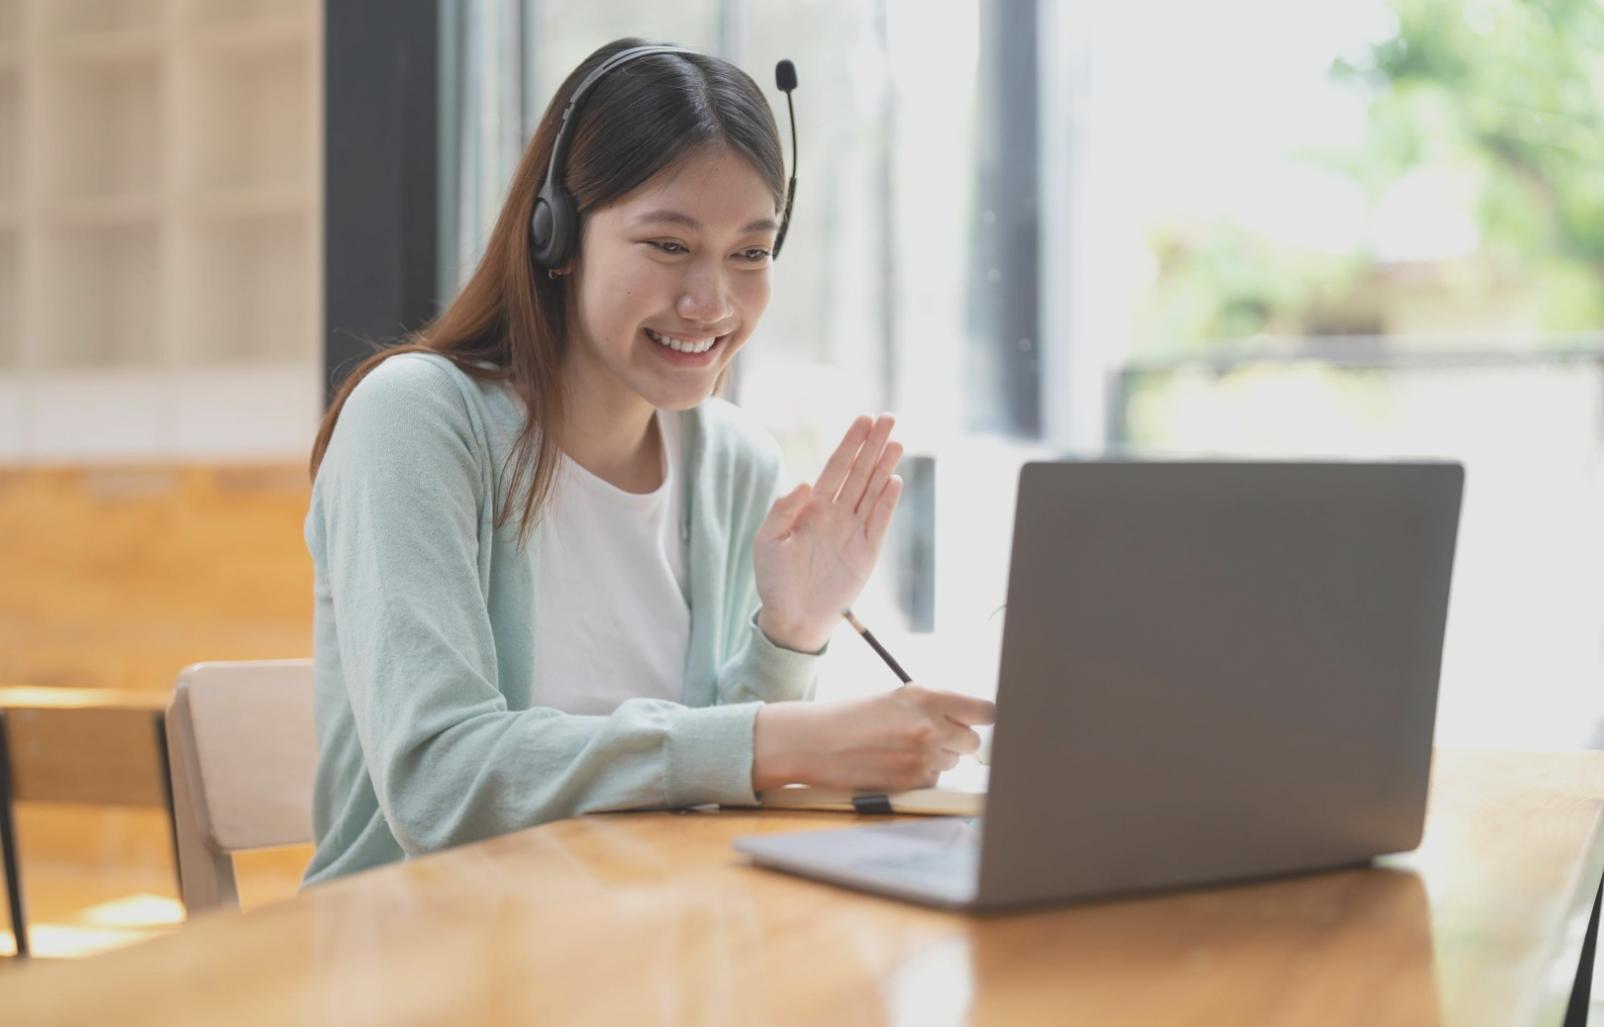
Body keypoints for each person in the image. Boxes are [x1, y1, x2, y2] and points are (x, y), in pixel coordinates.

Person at [301, 38, 994, 885]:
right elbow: (440, 785)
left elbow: (697, 794)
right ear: (556, 233)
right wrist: (787, 740)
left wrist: (792, 630)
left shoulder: (729, 459)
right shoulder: (416, 418)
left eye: (750, 251)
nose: (713, 303)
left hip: (641, 939)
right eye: (669, 245)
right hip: (421, 960)